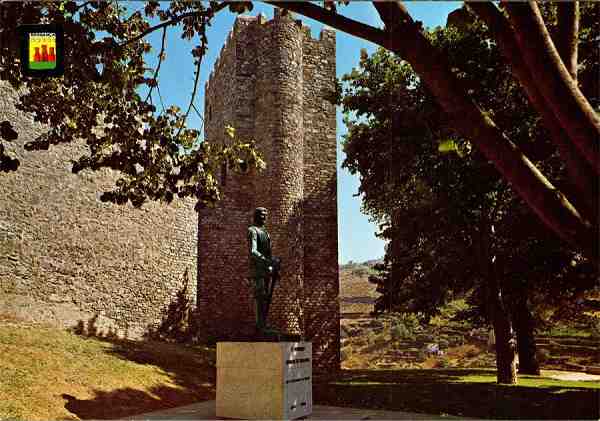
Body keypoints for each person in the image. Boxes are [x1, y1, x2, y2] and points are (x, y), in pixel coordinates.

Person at [247, 207, 280, 333]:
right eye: (262, 215)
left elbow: (269, 253)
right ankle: (259, 326)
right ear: (256, 216)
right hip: (256, 271)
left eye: (266, 216)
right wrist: (267, 261)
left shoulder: (266, 233)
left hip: (265, 271)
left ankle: (263, 324)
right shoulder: (252, 231)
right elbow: (253, 251)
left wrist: (273, 266)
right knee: (259, 297)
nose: (264, 218)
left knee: (265, 298)